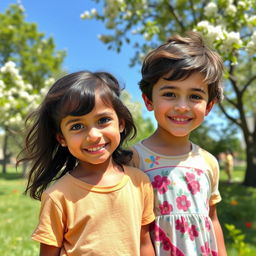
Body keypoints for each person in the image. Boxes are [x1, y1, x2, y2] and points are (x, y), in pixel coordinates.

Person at [17, 71, 155, 256]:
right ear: (61, 138)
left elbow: (144, 243)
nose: (93, 135)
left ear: (120, 123)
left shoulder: (139, 182)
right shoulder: (58, 197)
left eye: (103, 120)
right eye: (77, 126)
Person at [131, 32, 227, 256]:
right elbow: (133, 227)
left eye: (195, 96)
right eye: (170, 94)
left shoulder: (208, 162)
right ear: (149, 101)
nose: (182, 106)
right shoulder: (134, 159)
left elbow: (212, 219)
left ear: (209, 106)